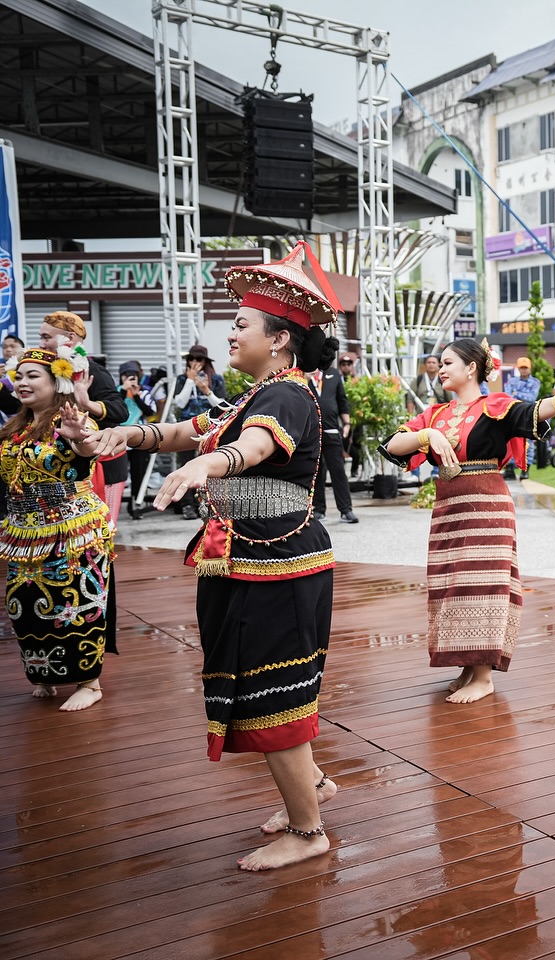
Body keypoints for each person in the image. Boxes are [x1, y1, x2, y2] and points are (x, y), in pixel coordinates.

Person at [91, 241, 342, 871]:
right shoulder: (256, 393)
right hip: (257, 564)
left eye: (241, 324)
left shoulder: (285, 398)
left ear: (280, 339)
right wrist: (130, 433)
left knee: (273, 695)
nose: (230, 332)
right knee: (275, 688)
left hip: (276, 568)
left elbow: (250, 449)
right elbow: (192, 432)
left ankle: (308, 835)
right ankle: (309, 789)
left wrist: (212, 463)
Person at [381, 338, 555, 704]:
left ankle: (483, 677)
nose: (441, 368)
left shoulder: (495, 407)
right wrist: (428, 434)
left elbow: (535, 410)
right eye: (441, 363)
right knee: (451, 583)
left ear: (472, 368)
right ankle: (468, 666)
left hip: (487, 505)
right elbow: (392, 445)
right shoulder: (435, 415)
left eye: (449, 362)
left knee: (480, 582)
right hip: (449, 506)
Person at [1, 347, 113, 711]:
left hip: (73, 531)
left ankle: (90, 682)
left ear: (56, 382)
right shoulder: (14, 426)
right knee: (25, 606)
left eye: (33, 376)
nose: (23, 382)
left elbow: (86, 453)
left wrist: (79, 438)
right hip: (24, 532)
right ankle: (45, 674)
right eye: (19, 376)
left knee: (74, 602)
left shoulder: (73, 420)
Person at [170, 344, 229, 520]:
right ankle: (187, 504)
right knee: (186, 464)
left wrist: (206, 390)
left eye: (199, 359)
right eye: (191, 359)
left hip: (210, 428)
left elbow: (222, 407)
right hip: (187, 427)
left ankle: (207, 503)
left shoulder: (216, 379)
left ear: (205, 362)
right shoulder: (181, 379)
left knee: (209, 466)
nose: (195, 362)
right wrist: (190, 381)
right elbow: (179, 403)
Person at [308, 358, 357, 523]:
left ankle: (346, 510)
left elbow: (342, 401)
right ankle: (318, 509)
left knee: (338, 471)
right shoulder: (303, 374)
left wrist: (347, 423)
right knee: (317, 471)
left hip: (332, 430)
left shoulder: (333, 374)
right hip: (311, 433)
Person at [117, 360, 155, 520]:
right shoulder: (116, 393)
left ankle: (136, 506)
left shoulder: (145, 393)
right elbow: (114, 409)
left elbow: (150, 411)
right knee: (120, 474)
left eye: (133, 376)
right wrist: (124, 392)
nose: (131, 379)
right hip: (120, 438)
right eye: (127, 376)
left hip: (139, 437)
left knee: (139, 473)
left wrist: (137, 395)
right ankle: (115, 505)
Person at [502, 356, 541, 480]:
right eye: (521, 368)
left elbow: (532, 397)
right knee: (511, 441)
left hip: (527, 415)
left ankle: (525, 470)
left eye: (526, 368)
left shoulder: (535, 382)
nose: (524, 370)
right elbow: (507, 396)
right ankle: (509, 470)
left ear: (530, 368)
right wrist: (519, 395)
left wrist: (516, 394)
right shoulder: (511, 381)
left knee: (527, 442)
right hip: (513, 415)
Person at [338, 352, 363, 479]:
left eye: (348, 364)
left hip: (356, 419)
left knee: (357, 447)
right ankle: (340, 471)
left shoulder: (356, 382)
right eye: (343, 364)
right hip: (341, 420)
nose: (346, 367)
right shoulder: (337, 381)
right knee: (342, 444)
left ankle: (355, 470)